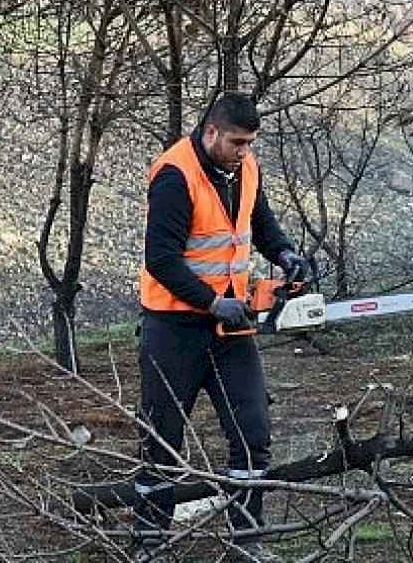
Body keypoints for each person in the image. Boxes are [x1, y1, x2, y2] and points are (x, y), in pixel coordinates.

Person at [134, 92, 308, 563]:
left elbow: (262, 223)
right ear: (211, 132)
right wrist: (212, 302)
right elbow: (161, 259)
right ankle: (148, 543)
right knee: (162, 439)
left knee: (253, 433)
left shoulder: (246, 169)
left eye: (250, 143)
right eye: (237, 142)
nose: (243, 151)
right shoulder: (175, 175)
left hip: (230, 328)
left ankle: (246, 543)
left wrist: (285, 253)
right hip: (174, 329)